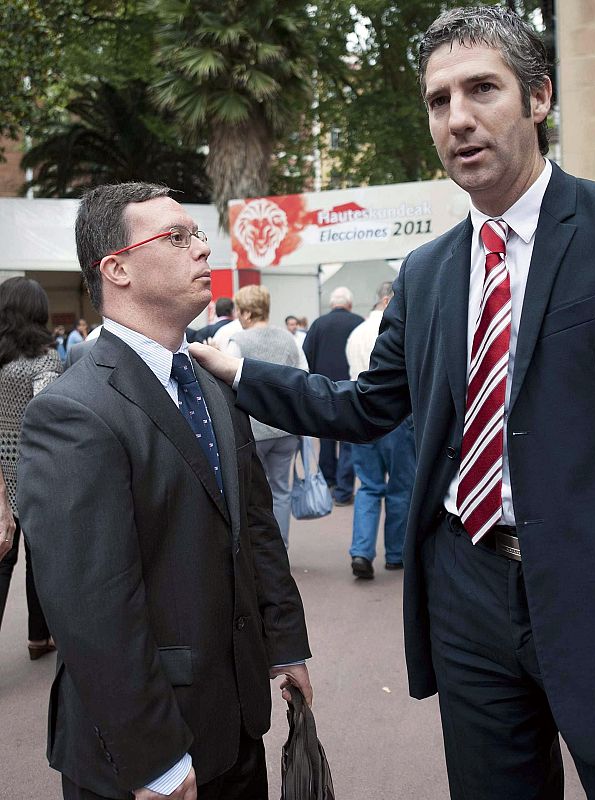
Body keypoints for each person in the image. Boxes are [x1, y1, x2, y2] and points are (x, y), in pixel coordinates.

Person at [190, 6, 595, 799]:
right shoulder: (427, 273)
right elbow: (365, 406)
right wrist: (237, 372)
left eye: (482, 89)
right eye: (438, 100)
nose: (458, 119)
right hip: (466, 595)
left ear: (538, 97)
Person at [18, 182, 312, 800]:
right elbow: (90, 606)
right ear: (117, 269)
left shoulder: (209, 382)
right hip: (146, 755)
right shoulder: (73, 411)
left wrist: (284, 644)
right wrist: (155, 759)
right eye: (176, 238)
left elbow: (254, 528)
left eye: (198, 234)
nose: (201, 250)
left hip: (236, 725)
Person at [0, 276, 62, 659]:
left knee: (3, 556)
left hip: (0, 471)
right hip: (34, 465)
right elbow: (46, 411)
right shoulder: (46, 358)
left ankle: (39, 637)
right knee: (40, 556)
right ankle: (39, 637)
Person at [345, 282, 416, 579]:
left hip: (360, 413)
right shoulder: (402, 331)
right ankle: (396, 553)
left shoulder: (357, 333)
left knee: (369, 486)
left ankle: (361, 551)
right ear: (388, 301)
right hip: (397, 416)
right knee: (400, 487)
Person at [227, 285, 304, 548]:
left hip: (253, 430)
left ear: (247, 313)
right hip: (285, 428)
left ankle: (260, 548)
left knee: (252, 492)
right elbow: (303, 373)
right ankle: (281, 544)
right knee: (282, 490)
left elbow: (227, 381)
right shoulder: (287, 338)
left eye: (239, 310)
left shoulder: (239, 342)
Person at [301, 287, 363, 505]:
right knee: (348, 439)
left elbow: (306, 356)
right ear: (350, 304)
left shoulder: (318, 324)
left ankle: (328, 480)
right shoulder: (359, 322)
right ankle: (344, 486)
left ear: (331, 304)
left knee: (326, 437)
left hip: (323, 389)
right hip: (352, 388)